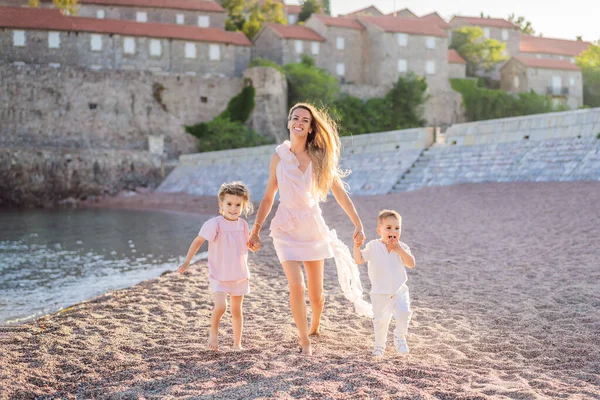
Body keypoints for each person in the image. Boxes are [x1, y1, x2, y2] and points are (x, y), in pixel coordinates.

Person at [248, 102, 371, 356]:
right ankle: (304, 340)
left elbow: (339, 192)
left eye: (305, 119)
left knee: (317, 297)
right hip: (285, 227)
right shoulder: (278, 158)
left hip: (312, 227)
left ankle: (315, 325)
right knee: (297, 285)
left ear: (311, 126)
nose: (299, 122)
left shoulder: (318, 157)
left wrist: (357, 223)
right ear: (289, 122)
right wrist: (256, 228)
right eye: (295, 117)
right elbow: (270, 196)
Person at [178, 181, 254, 352]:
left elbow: (245, 244)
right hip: (219, 274)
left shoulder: (242, 225)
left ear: (243, 206)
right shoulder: (215, 224)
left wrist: (253, 244)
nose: (233, 208)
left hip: (239, 274)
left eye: (238, 205)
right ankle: (213, 331)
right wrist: (187, 261)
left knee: (237, 311)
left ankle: (237, 344)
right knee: (221, 306)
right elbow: (198, 241)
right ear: (221, 204)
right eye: (229, 204)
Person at [353, 209, 416, 359]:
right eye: (388, 228)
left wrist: (399, 250)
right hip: (380, 293)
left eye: (397, 228)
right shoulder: (373, 246)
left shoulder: (402, 247)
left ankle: (400, 337)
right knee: (380, 321)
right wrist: (357, 246)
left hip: (399, 290)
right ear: (379, 230)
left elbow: (411, 264)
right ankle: (379, 345)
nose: (393, 231)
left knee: (404, 313)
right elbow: (359, 259)